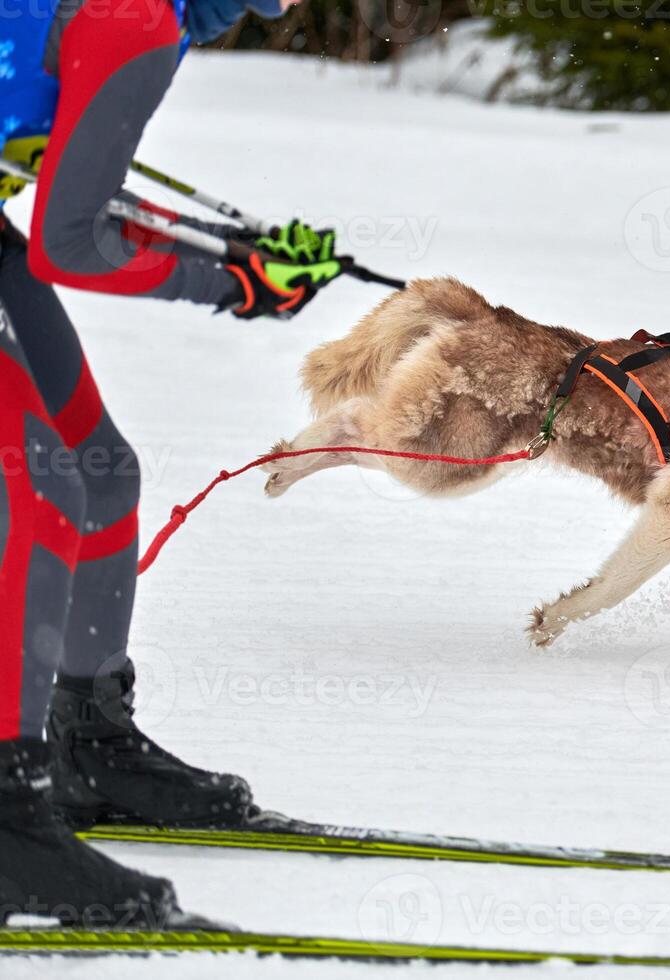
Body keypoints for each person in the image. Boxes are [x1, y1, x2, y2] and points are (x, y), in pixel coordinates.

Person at [0, 0, 344, 926]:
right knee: (40, 489)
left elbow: (80, 185)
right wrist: (234, 283)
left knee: (98, 473)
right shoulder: (136, 17)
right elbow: (68, 243)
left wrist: (234, 253)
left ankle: (88, 742)